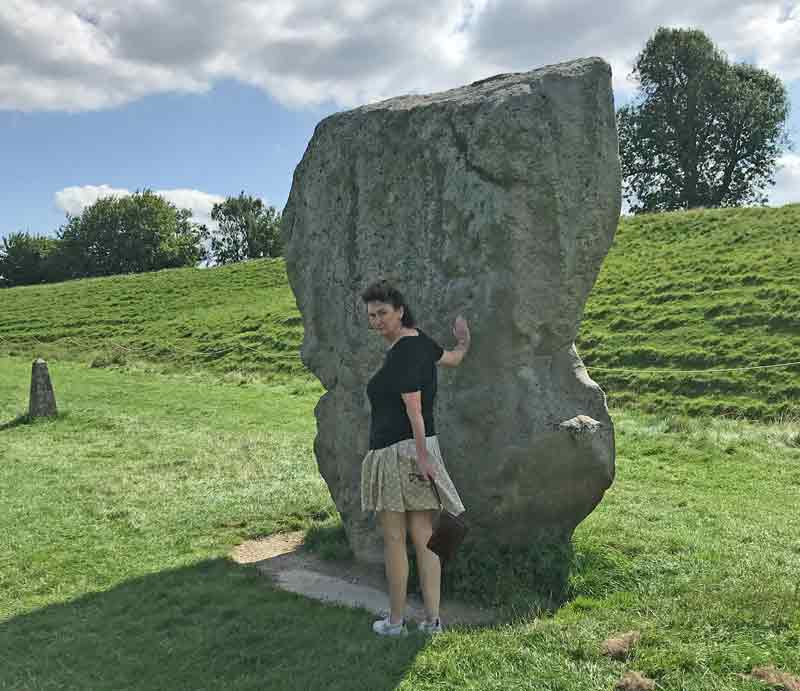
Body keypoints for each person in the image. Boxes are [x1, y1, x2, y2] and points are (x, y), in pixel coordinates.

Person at [360, 279, 470, 636]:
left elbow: (414, 408)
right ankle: (432, 621)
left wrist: (422, 458)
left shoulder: (404, 352)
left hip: (400, 453)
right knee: (423, 535)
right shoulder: (420, 341)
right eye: (371, 315)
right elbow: (452, 360)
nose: (376, 321)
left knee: (395, 538)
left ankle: (395, 622)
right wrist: (464, 341)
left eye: (382, 314)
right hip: (420, 448)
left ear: (400, 311)